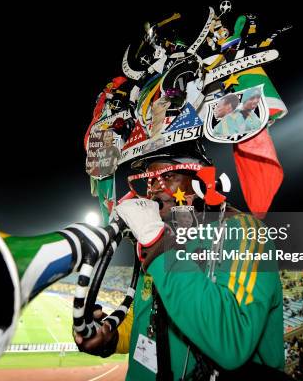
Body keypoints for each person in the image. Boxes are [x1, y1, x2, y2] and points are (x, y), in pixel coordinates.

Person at [74, 143, 287, 380]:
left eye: (168, 176)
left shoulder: (245, 232)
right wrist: (109, 337)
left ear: (201, 182)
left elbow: (232, 339)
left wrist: (158, 243)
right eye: (150, 181)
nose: (155, 190)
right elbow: (145, 317)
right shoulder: (166, 240)